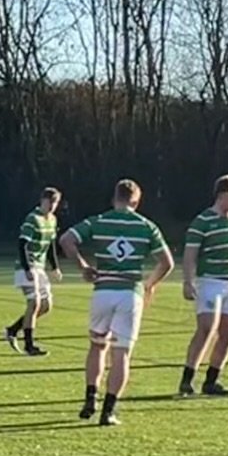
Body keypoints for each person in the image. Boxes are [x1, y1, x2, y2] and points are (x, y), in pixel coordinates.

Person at [60, 179, 174, 427]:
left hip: (103, 291)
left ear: (114, 199)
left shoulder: (99, 221)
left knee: (97, 346)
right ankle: (108, 411)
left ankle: (90, 397)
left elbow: (67, 239)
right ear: (136, 201)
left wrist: (83, 266)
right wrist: (150, 284)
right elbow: (166, 262)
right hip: (129, 294)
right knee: (121, 354)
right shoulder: (147, 226)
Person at [179, 175, 228, 397]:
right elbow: (190, 254)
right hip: (210, 282)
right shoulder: (202, 221)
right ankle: (187, 378)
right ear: (222, 195)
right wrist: (188, 281)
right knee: (206, 329)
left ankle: (212, 380)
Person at [4, 187, 63, 356]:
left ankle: (13, 329)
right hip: (28, 266)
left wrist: (55, 267)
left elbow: (51, 246)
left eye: (55, 203)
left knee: (46, 306)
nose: (52, 206)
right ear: (42, 200)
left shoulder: (52, 220)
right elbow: (22, 244)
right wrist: (27, 268)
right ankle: (29, 346)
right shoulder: (33, 219)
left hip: (40, 267)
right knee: (34, 303)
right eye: (49, 202)